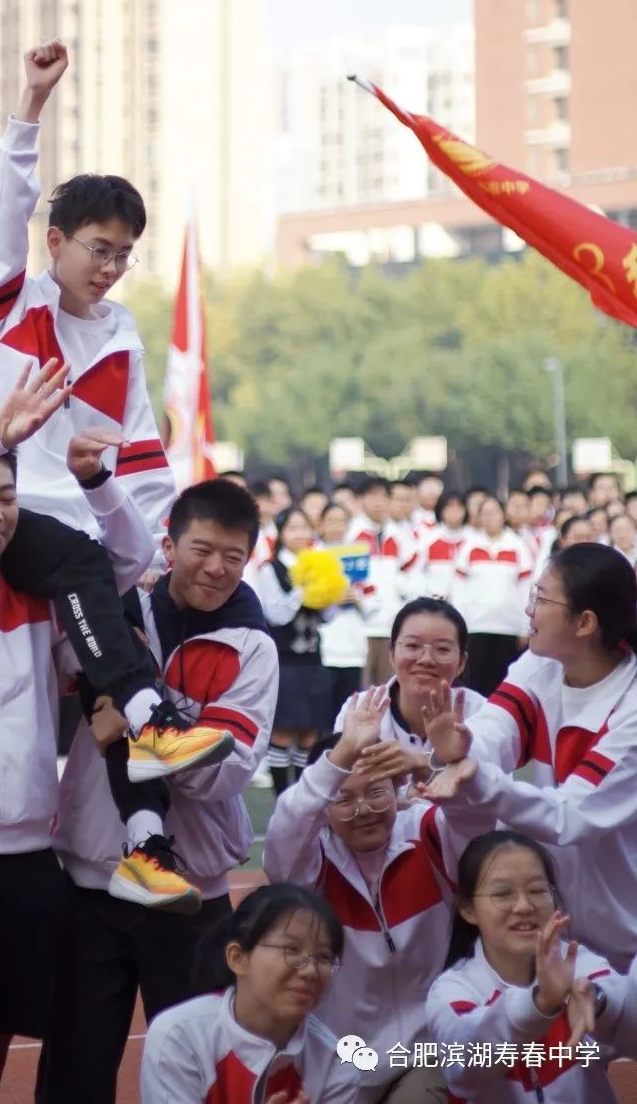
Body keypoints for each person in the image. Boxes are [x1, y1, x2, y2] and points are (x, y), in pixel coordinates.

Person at [0, 374, 231, 1104]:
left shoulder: (33, 592)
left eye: (7, 496)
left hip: (26, 861)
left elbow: (122, 569)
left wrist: (97, 486)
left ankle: (146, 798)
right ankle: (149, 777)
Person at [42, 473, 278, 1104]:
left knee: (203, 1076)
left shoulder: (253, 647)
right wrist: (123, 690)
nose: (216, 568)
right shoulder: (119, 604)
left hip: (191, 896)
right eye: (202, 549)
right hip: (92, 879)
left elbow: (221, 771)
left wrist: (143, 710)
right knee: (74, 1071)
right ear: (168, 547)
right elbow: (68, 667)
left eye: (234, 557)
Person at [0, 40, 176, 550]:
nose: (111, 268)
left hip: (87, 544)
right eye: (100, 249)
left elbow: (142, 462)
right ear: (54, 240)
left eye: (124, 254)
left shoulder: (122, 343)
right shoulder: (4, 311)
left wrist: (152, 557)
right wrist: (32, 104)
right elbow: (0, 222)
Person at [263, 689, 496, 1103]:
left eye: (376, 793)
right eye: (344, 800)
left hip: (431, 1047)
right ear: (323, 808)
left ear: (399, 789)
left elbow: (476, 825)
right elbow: (285, 829)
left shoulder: (428, 832)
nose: (363, 810)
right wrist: (343, 752)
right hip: (345, 1056)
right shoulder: (312, 861)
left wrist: (439, 762)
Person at [420, 543, 637, 970]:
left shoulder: (629, 706)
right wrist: (463, 749)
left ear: (585, 622)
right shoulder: (541, 666)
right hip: (553, 928)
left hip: (623, 940)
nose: (528, 610)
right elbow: (493, 731)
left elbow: (570, 815)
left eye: (541, 598)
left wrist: (474, 774)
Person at [426, 832, 631, 1102]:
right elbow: (465, 1069)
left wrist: (600, 1001)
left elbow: (624, 1017)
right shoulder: (452, 991)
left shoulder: (574, 960)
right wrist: (539, 1004)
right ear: (468, 909)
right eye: (502, 893)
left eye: (537, 890)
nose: (523, 906)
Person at [140, 884, 359, 1104]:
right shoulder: (180, 1036)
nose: (311, 971)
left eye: (324, 957)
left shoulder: (335, 1061)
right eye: (291, 950)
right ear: (237, 958)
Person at [338, 599, 485, 781]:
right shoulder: (358, 711)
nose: (426, 659)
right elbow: (339, 793)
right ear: (391, 654)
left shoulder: (481, 713)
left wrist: (423, 764)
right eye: (412, 646)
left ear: (461, 663)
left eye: (442, 649)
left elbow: (494, 792)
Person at [252, 506, 330, 794]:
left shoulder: (318, 564)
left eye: (304, 528)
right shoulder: (270, 569)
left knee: (311, 734)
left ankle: (301, 799)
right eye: (293, 528)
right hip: (284, 661)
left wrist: (332, 595)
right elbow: (276, 614)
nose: (299, 534)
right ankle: (282, 801)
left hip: (313, 659)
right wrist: (303, 590)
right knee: (283, 733)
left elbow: (327, 617)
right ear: (281, 534)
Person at [453, 495, 533, 696]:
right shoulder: (468, 546)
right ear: (478, 517)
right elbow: (459, 589)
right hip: (476, 626)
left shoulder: (517, 545)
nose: (490, 517)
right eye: (485, 513)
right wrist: (460, 624)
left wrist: (525, 625)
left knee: (506, 686)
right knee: (476, 686)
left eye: (494, 512)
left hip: (509, 628)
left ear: (503, 514)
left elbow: (526, 589)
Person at [346, 476, 417, 686]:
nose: (378, 502)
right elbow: (349, 580)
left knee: (389, 689)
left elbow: (412, 574)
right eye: (371, 496)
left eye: (383, 497)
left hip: (391, 625)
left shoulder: (401, 534)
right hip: (360, 626)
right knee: (362, 689)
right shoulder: (352, 534)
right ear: (361, 500)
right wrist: (365, 602)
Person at [317, 502, 368, 726]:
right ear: (321, 524)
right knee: (322, 712)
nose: (337, 527)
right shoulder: (313, 556)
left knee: (348, 712)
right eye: (331, 521)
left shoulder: (359, 556)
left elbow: (375, 595)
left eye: (342, 521)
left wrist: (358, 598)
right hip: (324, 645)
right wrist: (329, 598)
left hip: (352, 645)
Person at [416, 493, 468, 600]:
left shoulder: (472, 539)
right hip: (435, 602)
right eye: (449, 507)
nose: (454, 512)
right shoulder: (428, 538)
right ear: (441, 510)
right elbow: (418, 570)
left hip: (466, 603)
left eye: (458, 507)